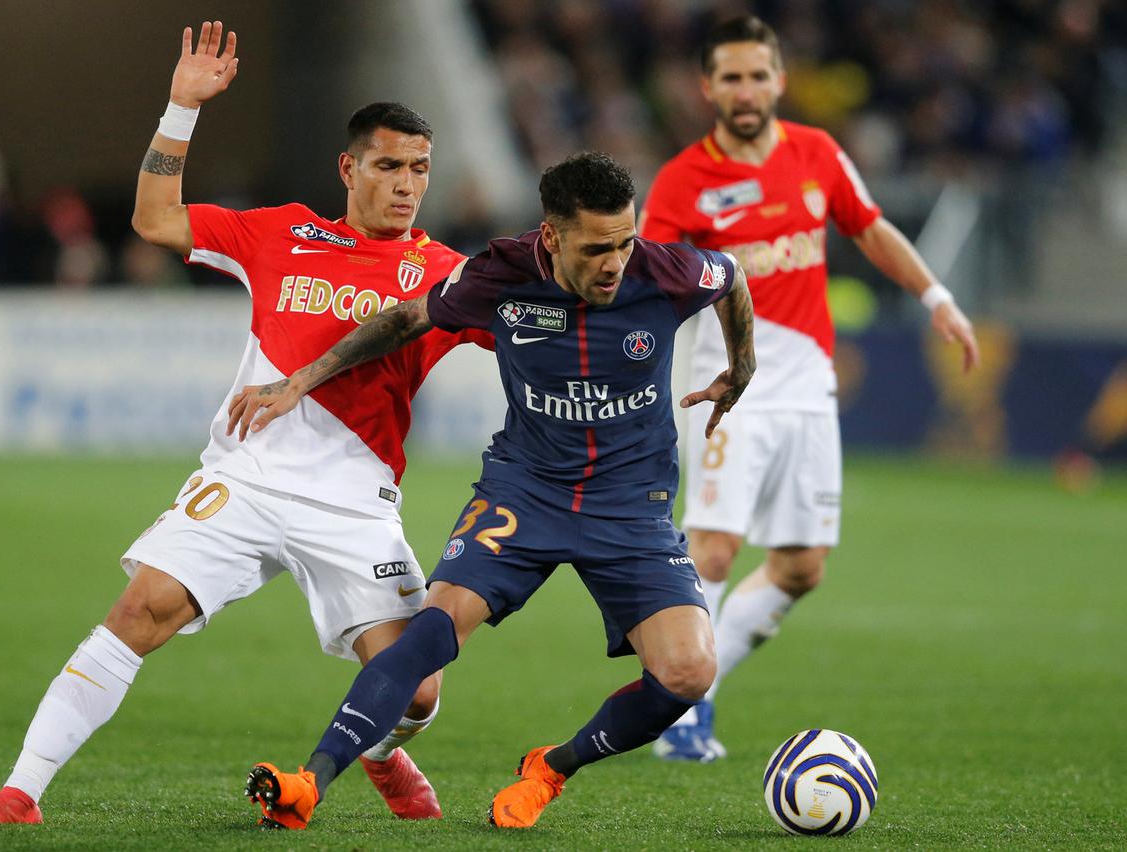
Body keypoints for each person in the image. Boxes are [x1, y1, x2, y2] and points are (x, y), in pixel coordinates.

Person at [0, 21, 491, 826]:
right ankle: (20, 791)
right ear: (349, 168)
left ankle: (380, 750)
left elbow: (538, 334)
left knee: (416, 689)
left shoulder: (447, 275)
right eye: (388, 166)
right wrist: (182, 108)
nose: (406, 185)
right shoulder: (284, 233)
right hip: (247, 479)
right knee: (138, 612)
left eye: (419, 168)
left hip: (354, 502)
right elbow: (154, 218)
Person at [225, 151, 756, 829]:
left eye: (625, 242)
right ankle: (311, 781)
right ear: (551, 236)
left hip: (631, 506)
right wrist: (301, 379)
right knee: (433, 630)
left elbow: (731, 276)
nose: (616, 264)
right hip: (526, 490)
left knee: (689, 673)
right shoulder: (500, 274)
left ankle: (551, 769)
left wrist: (742, 366)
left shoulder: (665, 270)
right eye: (596, 249)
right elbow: (405, 320)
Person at [639, 15, 981, 762]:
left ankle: (697, 686)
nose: (746, 90)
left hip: (808, 388)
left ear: (779, 80)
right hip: (729, 385)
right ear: (708, 88)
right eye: (731, 77)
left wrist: (937, 299)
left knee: (801, 567)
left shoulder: (817, 153)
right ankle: (681, 706)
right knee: (716, 548)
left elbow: (871, 226)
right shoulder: (684, 181)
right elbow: (647, 282)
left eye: (757, 75)